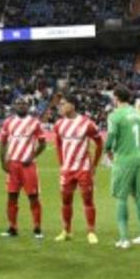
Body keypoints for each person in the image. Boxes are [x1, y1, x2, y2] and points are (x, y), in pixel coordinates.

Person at [104, 85, 140, 249]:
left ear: (116, 97)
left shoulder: (115, 115)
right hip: (138, 159)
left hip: (124, 160)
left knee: (121, 197)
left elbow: (110, 138)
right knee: (139, 195)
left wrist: (107, 151)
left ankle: (124, 239)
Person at [53, 95, 103, 244]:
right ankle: (66, 231)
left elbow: (100, 143)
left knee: (88, 200)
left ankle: (91, 232)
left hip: (83, 169)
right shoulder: (58, 125)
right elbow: (58, 145)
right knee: (66, 201)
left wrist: (94, 165)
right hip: (67, 170)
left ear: (72, 105)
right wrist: (62, 164)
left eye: (63, 104)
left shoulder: (86, 124)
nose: (60, 107)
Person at [0, 96, 47, 239]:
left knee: (33, 196)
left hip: (28, 166)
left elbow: (43, 144)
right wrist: (2, 162)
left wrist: (32, 156)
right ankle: (12, 228)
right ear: (14, 106)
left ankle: (37, 228)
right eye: (18, 103)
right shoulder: (8, 122)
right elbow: (3, 143)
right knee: (11, 196)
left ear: (28, 106)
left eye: (24, 104)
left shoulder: (35, 123)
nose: (21, 106)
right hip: (12, 164)